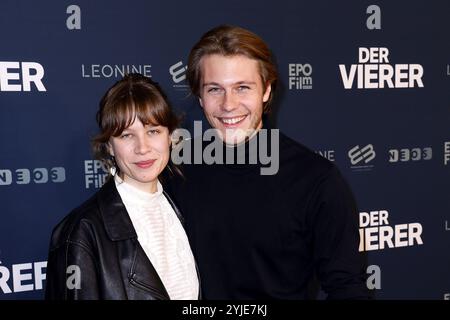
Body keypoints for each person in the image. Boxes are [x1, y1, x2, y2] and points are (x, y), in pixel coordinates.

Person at [163, 25, 371, 299]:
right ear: (200, 97)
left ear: (266, 91)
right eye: (215, 89)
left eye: (242, 88)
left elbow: (347, 288)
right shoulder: (175, 168)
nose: (228, 105)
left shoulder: (316, 179)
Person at [45, 74, 199, 300]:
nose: (142, 148)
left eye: (153, 131)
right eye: (127, 135)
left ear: (171, 137)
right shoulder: (81, 232)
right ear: (109, 146)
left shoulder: (185, 206)